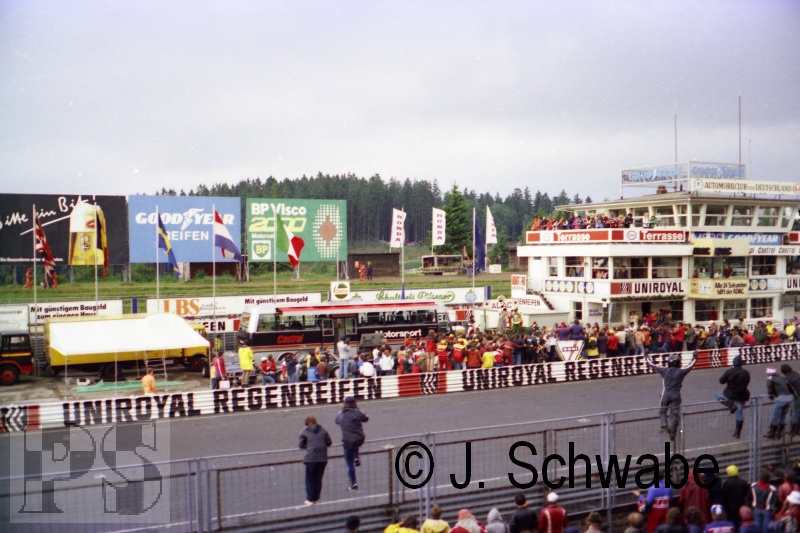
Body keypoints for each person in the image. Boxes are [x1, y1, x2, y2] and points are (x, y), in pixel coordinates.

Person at [646, 351, 698, 441]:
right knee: (674, 414)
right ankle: (673, 433)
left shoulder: (664, 371)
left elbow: (652, 365)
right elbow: (690, 366)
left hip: (665, 394)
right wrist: (694, 358)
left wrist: (646, 357)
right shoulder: (681, 372)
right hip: (676, 395)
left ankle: (664, 425)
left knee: (662, 411)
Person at [335, 396, 369, 491]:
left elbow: (336, 421)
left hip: (348, 441)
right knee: (356, 441)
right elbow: (365, 418)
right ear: (354, 403)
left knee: (349, 463)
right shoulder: (358, 412)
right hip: (359, 438)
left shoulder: (340, 414)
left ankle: (353, 484)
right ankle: (356, 457)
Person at [298, 415, 331, 506]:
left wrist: (309, 446)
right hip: (323, 458)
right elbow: (329, 442)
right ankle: (316, 498)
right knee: (318, 479)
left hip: (311, 458)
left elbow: (300, 445)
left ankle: (310, 499)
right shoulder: (323, 430)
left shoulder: (304, 431)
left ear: (306, 423)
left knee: (310, 479)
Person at [715, 355, 750, 439]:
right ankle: (737, 433)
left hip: (730, 394)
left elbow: (721, 381)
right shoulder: (746, 373)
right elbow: (747, 382)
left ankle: (730, 405)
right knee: (739, 413)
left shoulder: (729, 371)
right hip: (742, 395)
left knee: (717, 395)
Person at [765, 366, 795, 439]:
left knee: (775, 416)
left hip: (781, 398)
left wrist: (771, 396)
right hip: (789, 398)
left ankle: (772, 433)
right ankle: (780, 432)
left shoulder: (770, 378)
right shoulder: (781, 377)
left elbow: (770, 388)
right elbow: (789, 386)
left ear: (768, 373)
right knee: (783, 416)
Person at [722, 465, 750, 530]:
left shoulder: (727, 483)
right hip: (741, 505)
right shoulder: (743, 482)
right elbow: (746, 493)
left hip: (730, 506)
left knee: (732, 521)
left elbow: (724, 495)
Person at [783, 364, 800, 436]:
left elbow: (788, 390)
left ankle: (794, 430)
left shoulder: (786, 379)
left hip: (797, 396)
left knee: (795, 413)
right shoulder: (797, 373)